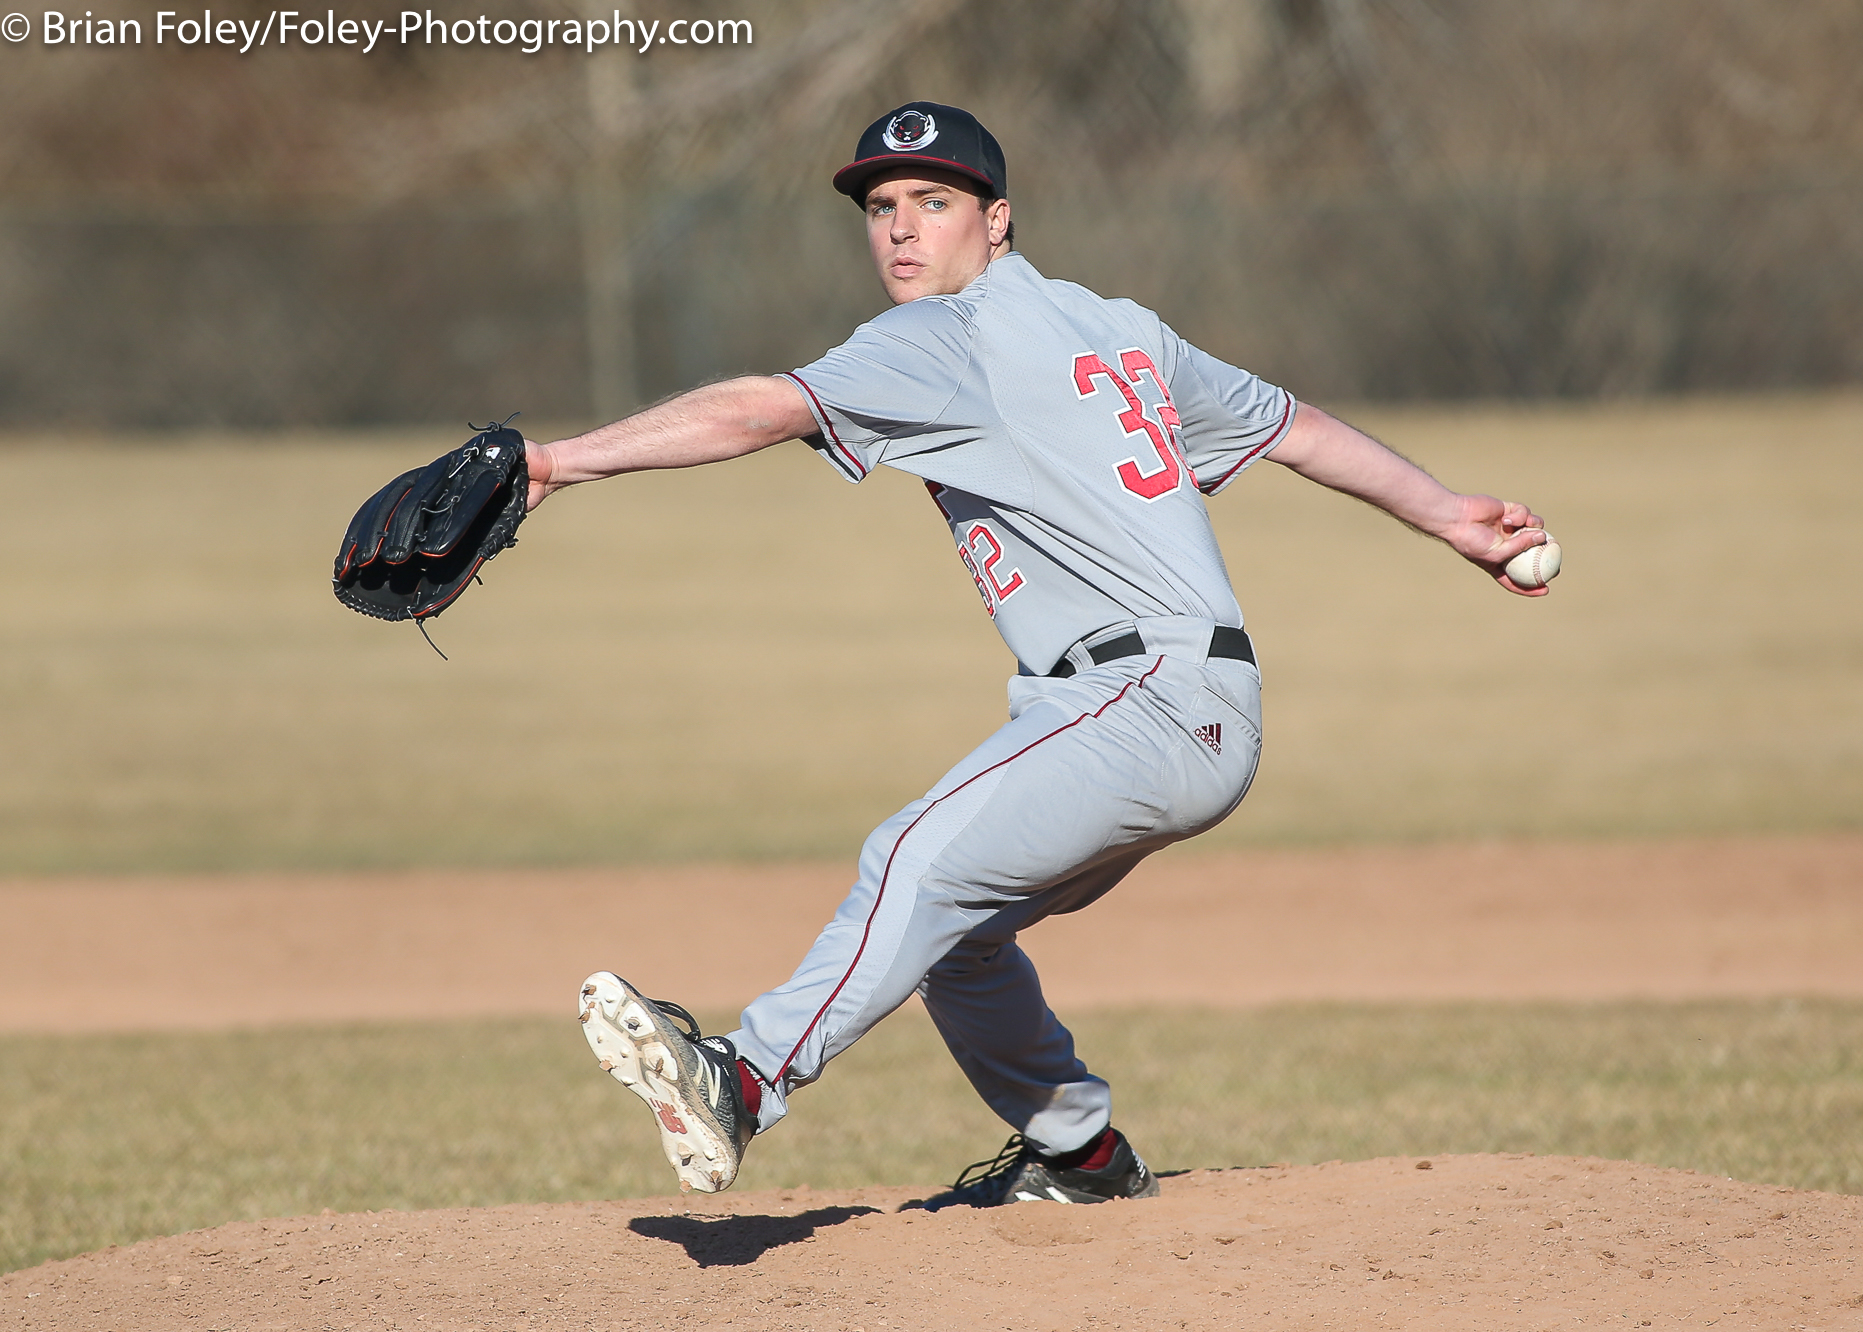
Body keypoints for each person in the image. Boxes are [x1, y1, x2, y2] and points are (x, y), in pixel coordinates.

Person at [543, 102, 1549, 1206]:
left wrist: (556, 463)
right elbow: (1292, 426)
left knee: (911, 858)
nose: (901, 231)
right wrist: (1446, 514)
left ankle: (740, 1079)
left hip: (1139, 700)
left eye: (934, 202)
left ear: (998, 218)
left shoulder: (941, 336)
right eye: (880, 207)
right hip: (1187, 705)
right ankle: (1081, 1152)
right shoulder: (1118, 328)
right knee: (958, 939)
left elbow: (756, 411)